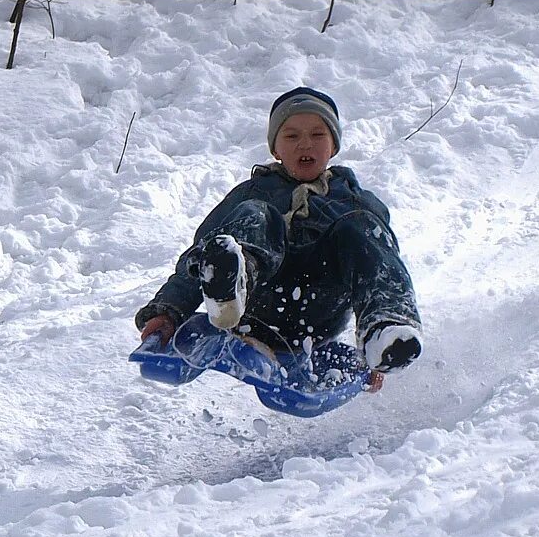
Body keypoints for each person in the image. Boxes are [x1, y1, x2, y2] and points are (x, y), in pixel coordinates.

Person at [135, 87, 422, 389]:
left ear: (333, 146)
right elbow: (202, 253)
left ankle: (385, 328)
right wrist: (168, 310)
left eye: (317, 135)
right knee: (256, 214)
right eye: (291, 136)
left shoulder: (355, 201)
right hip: (258, 306)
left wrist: (371, 355)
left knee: (363, 227)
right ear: (275, 149)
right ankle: (232, 284)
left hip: (319, 311)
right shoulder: (253, 193)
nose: (304, 144)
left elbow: (379, 264)